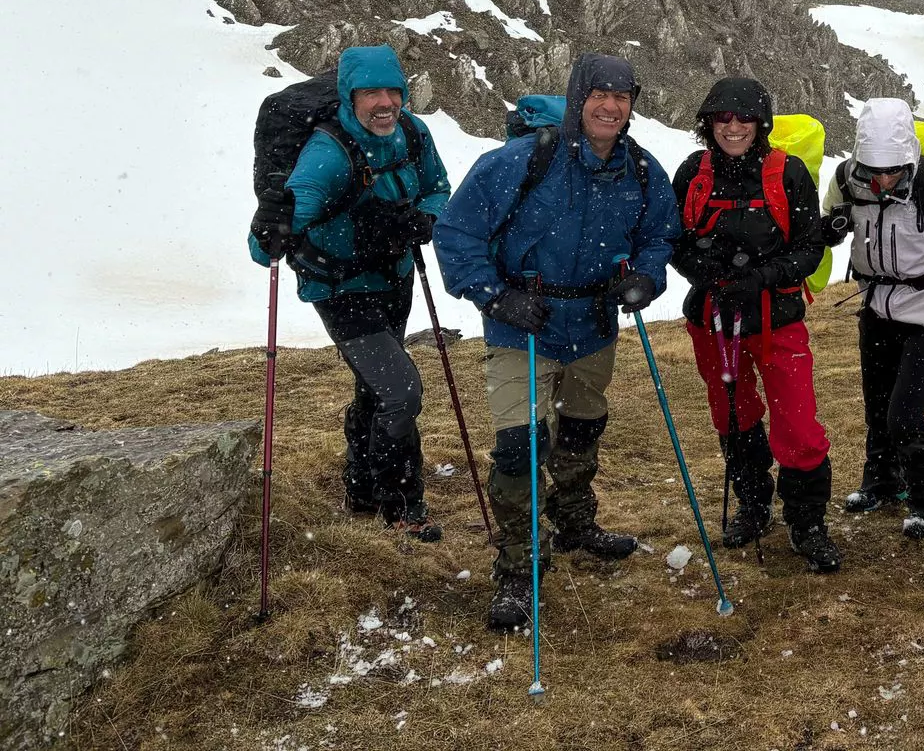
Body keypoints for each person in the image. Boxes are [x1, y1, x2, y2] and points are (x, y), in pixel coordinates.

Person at [434, 53, 680, 633]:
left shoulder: (642, 171)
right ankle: (519, 564)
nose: (610, 106)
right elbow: (456, 231)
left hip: (594, 322)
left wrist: (646, 277)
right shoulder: (519, 161)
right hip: (522, 322)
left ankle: (574, 522)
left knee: (581, 427)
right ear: (577, 98)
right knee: (520, 444)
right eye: (599, 93)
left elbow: (660, 235)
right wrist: (493, 296)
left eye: (622, 96)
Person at [250, 45, 450, 540]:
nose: (384, 103)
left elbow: (439, 187)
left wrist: (425, 218)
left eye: (392, 91)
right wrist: (270, 228)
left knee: (376, 388)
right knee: (401, 392)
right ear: (348, 96)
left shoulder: (413, 133)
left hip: (394, 279)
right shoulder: (326, 154)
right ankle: (400, 502)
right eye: (370, 93)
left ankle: (359, 488)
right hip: (340, 290)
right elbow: (263, 247)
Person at [670, 76, 840, 573]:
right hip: (712, 321)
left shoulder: (787, 174)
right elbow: (671, 239)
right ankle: (753, 504)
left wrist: (762, 277)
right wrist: (708, 272)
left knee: (799, 424)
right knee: (733, 416)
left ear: (761, 124)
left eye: (744, 118)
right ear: (708, 123)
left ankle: (807, 523)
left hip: (777, 321)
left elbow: (810, 246)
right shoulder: (692, 173)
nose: (733, 127)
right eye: (723, 117)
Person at [818, 98, 924, 537]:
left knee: (904, 414)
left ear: (909, 157)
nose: (882, 179)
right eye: (873, 170)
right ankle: (881, 481)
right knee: (878, 407)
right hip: (877, 309)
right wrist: (828, 230)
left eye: (892, 169)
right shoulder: (845, 179)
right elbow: (825, 222)